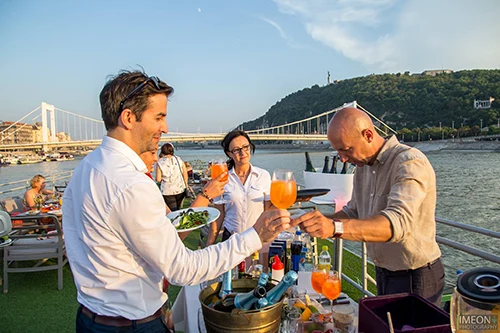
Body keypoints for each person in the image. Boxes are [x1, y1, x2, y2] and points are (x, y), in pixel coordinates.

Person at [62, 70, 290, 333]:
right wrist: (255, 235)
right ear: (128, 118)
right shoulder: (131, 184)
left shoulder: (84, 169)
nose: (166, 128)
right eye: (159, 117)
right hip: (132, 324)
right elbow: (183, 268)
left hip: (90, 317)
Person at [291, 107, 444, 306]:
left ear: (368, 135)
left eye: (346, 150)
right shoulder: (363, 167)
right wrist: (318, 221)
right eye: (338, 152)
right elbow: (353, 211)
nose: (343, 159)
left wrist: (334, 228)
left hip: (416, 276)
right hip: (383, 272)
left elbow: (396, 225)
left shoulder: (409, 162)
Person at [205, 131, 272, 266]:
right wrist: (209, 246)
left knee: (258, 281)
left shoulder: (263, 176)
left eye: (245, 147)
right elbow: (219, 215)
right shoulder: (223, 179)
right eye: (236, 150)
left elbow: (268, 211)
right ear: (229, 153)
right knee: (230, 282)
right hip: (231, 240)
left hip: (257, 239)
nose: (243, 153)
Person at [156, 143, 188, 211]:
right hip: (180, 189)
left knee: (172, 211)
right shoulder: (178, 159)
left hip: (167, 191)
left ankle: (173, 221)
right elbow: (185, 173)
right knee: (178, 209)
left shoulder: (160, 162)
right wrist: (186, 185)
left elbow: (158, 179)